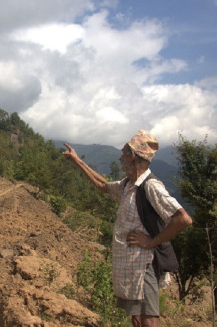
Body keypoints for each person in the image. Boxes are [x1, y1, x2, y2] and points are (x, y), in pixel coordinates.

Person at [63, 129, 192, 327]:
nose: (120, 156)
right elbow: (104, 185)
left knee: (149, 318)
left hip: (144, 265)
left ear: (133, 156)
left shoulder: (150, 186)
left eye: (124, 152)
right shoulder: (128, 185)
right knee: (137, 317)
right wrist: (77, 162)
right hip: (131, 268)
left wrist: (151, 242)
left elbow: (183, 219)